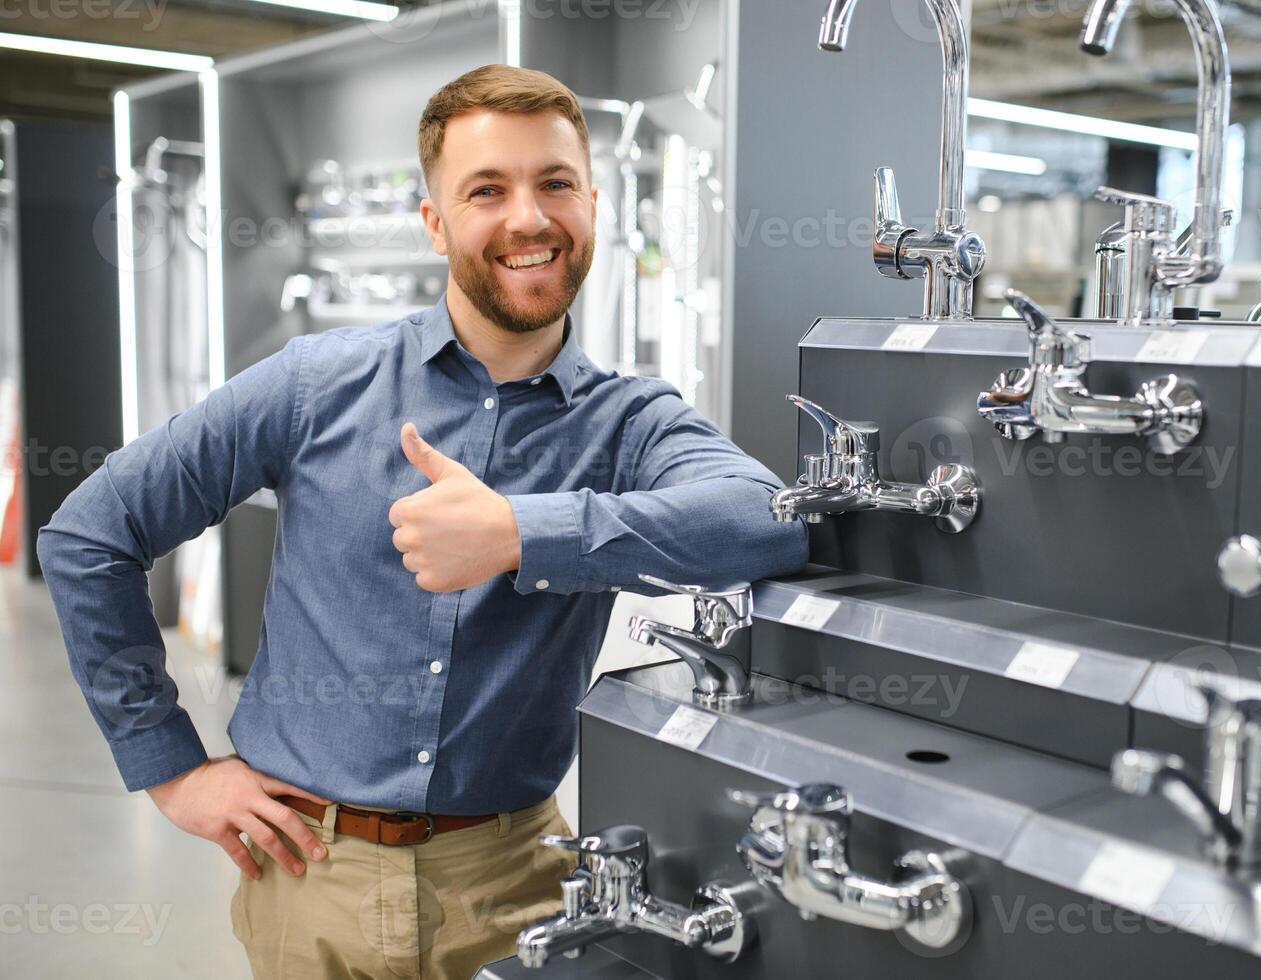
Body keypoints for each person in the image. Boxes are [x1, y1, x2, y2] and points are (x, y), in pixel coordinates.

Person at [38, 64, 807, 979]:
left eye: (554, 183)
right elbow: (90, 535)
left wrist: (522, 532)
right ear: (435, 222)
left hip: (515, 883)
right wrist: (170, 766)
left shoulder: (630, 421)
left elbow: (768, 520)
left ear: (593, 206)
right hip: (307, 880)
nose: (528, 217)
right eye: (487, 190)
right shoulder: (316, 384)